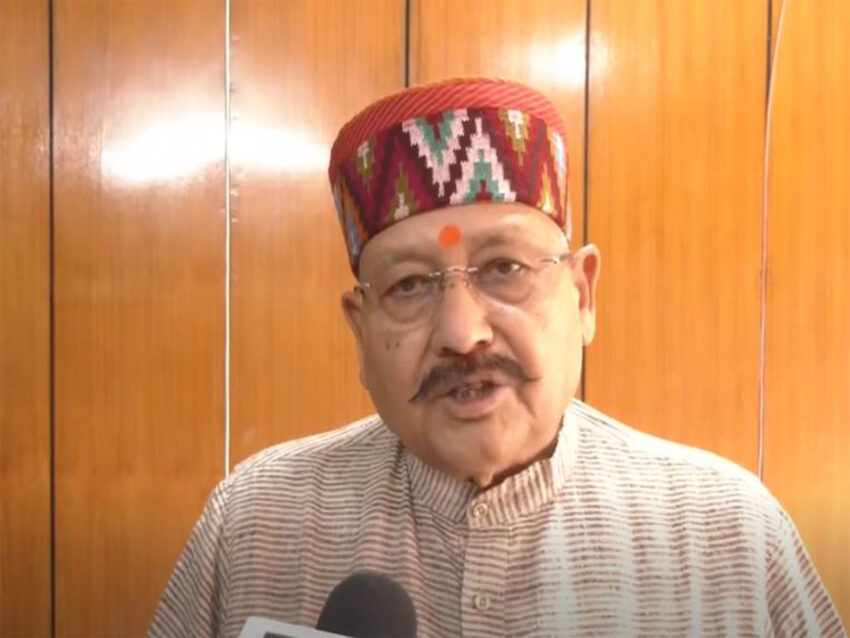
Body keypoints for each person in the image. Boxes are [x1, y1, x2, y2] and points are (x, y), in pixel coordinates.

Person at [149, 78, 845, 637]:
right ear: (361, 333)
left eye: (505, 268)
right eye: (410, 285)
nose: (462, 334)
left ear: (582, 295)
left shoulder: (730, 536)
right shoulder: (254, 524)